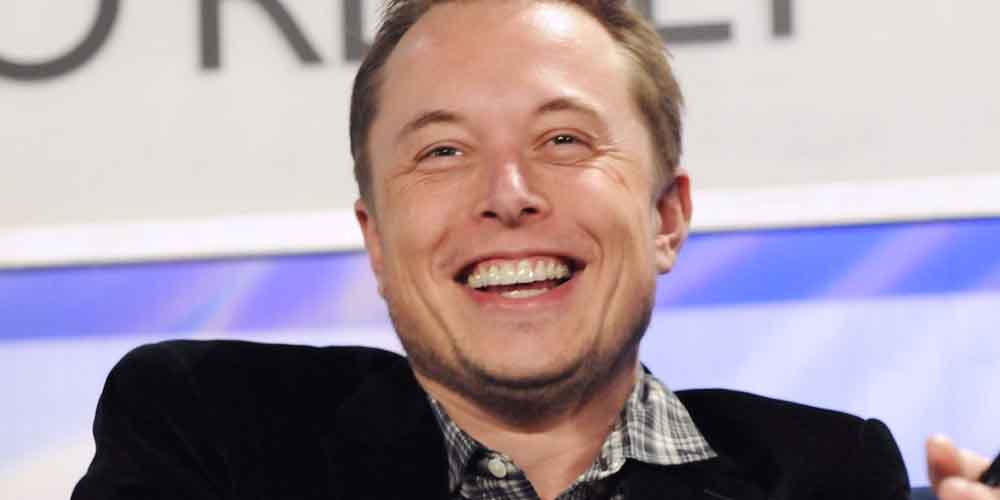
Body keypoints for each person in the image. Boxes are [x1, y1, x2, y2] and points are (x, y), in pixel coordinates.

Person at [72, 1, 997, 499]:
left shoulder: (826, 474)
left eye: (563, 139)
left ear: (666, 217)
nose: (507, 194)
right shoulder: (213, 433)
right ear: (377, 242)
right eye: (443, 151)